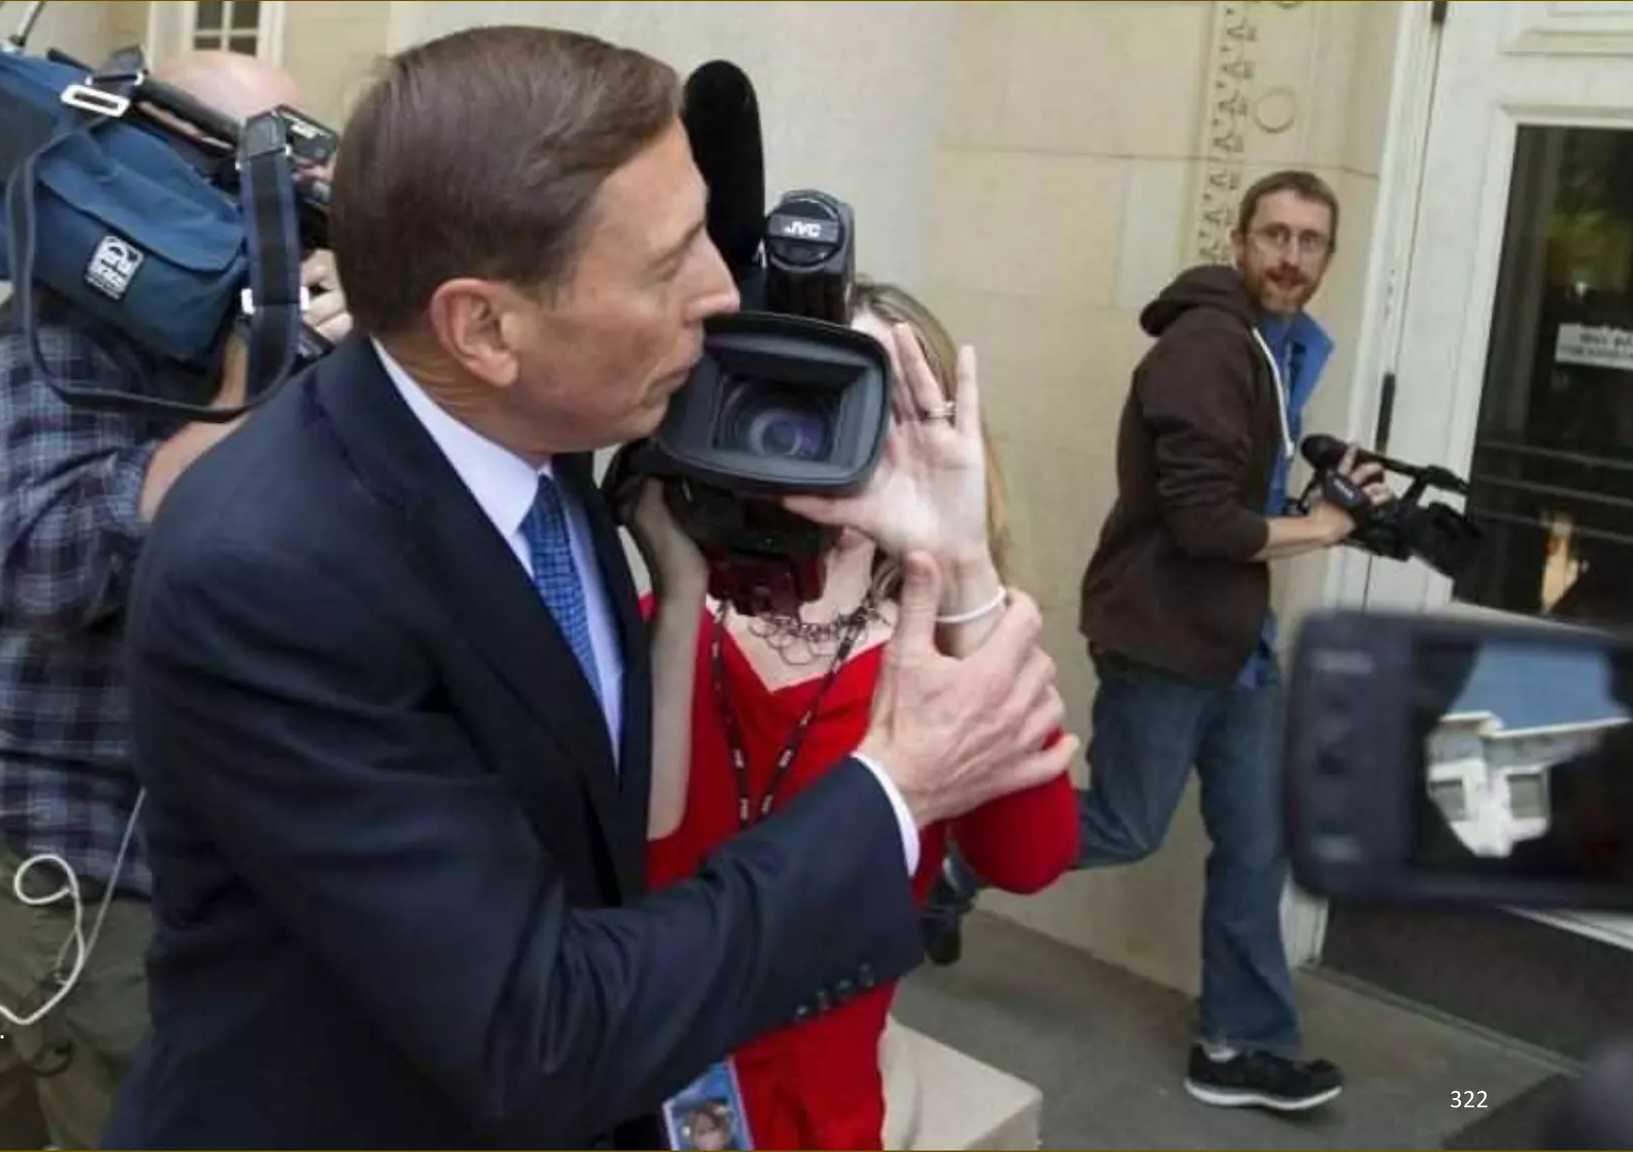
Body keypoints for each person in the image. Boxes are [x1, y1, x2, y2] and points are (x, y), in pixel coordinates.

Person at [108, 25, 1075, 1150]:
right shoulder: (269, 578)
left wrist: (954, 558)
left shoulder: (555, 433)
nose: (723, 294)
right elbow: (539, 1031)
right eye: (669, 266)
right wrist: (894, 789)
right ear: (485, 327)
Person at [0, 53, 350, 1151]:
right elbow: (53, 570)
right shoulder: (55, 335)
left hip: (196, 838)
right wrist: (248, 386)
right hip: (63, 845)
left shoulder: (274, 340)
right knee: (147, 1116)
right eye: (273, 167)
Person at [946, 169, 1390, 1113]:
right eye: (1274, 235)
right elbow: (1202, 524)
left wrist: (1325, 489)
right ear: (1239, 241)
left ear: (1327, 257)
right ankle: (950, 858)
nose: (1290, 257)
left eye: (1310, 242)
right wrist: (1327, 529)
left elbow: (1245, 487)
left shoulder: (1275, 349)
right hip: (1165, 633)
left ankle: (1238, 1044)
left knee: (1258, 840)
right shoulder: (1206, 348)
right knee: (1124, 824)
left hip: (1239, 642)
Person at [623, 278, 1079, 1149]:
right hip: (645, 1091)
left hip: (822, 1109)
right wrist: (680, 597)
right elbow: (643, 865)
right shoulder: (672, 621)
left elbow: (1030, 858)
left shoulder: (945, 654)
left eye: (879, 408)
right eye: (807, 395)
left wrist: (962, 557)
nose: (829, 435)